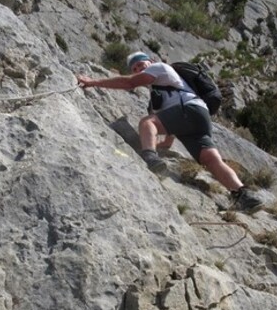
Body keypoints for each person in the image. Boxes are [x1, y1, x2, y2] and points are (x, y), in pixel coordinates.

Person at [77, 51, 264, 212]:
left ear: (150, 62)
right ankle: (243, 194)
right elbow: (168, 137)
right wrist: (164, 144)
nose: (138, 69)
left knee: (147, 122)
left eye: (141, 65)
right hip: (197, 118)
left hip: (190, 109)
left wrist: (93, 82)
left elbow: (130, 84)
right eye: (134, 68)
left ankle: (149, 158)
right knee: (209, 158)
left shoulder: (159, 68)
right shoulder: (157, 99)